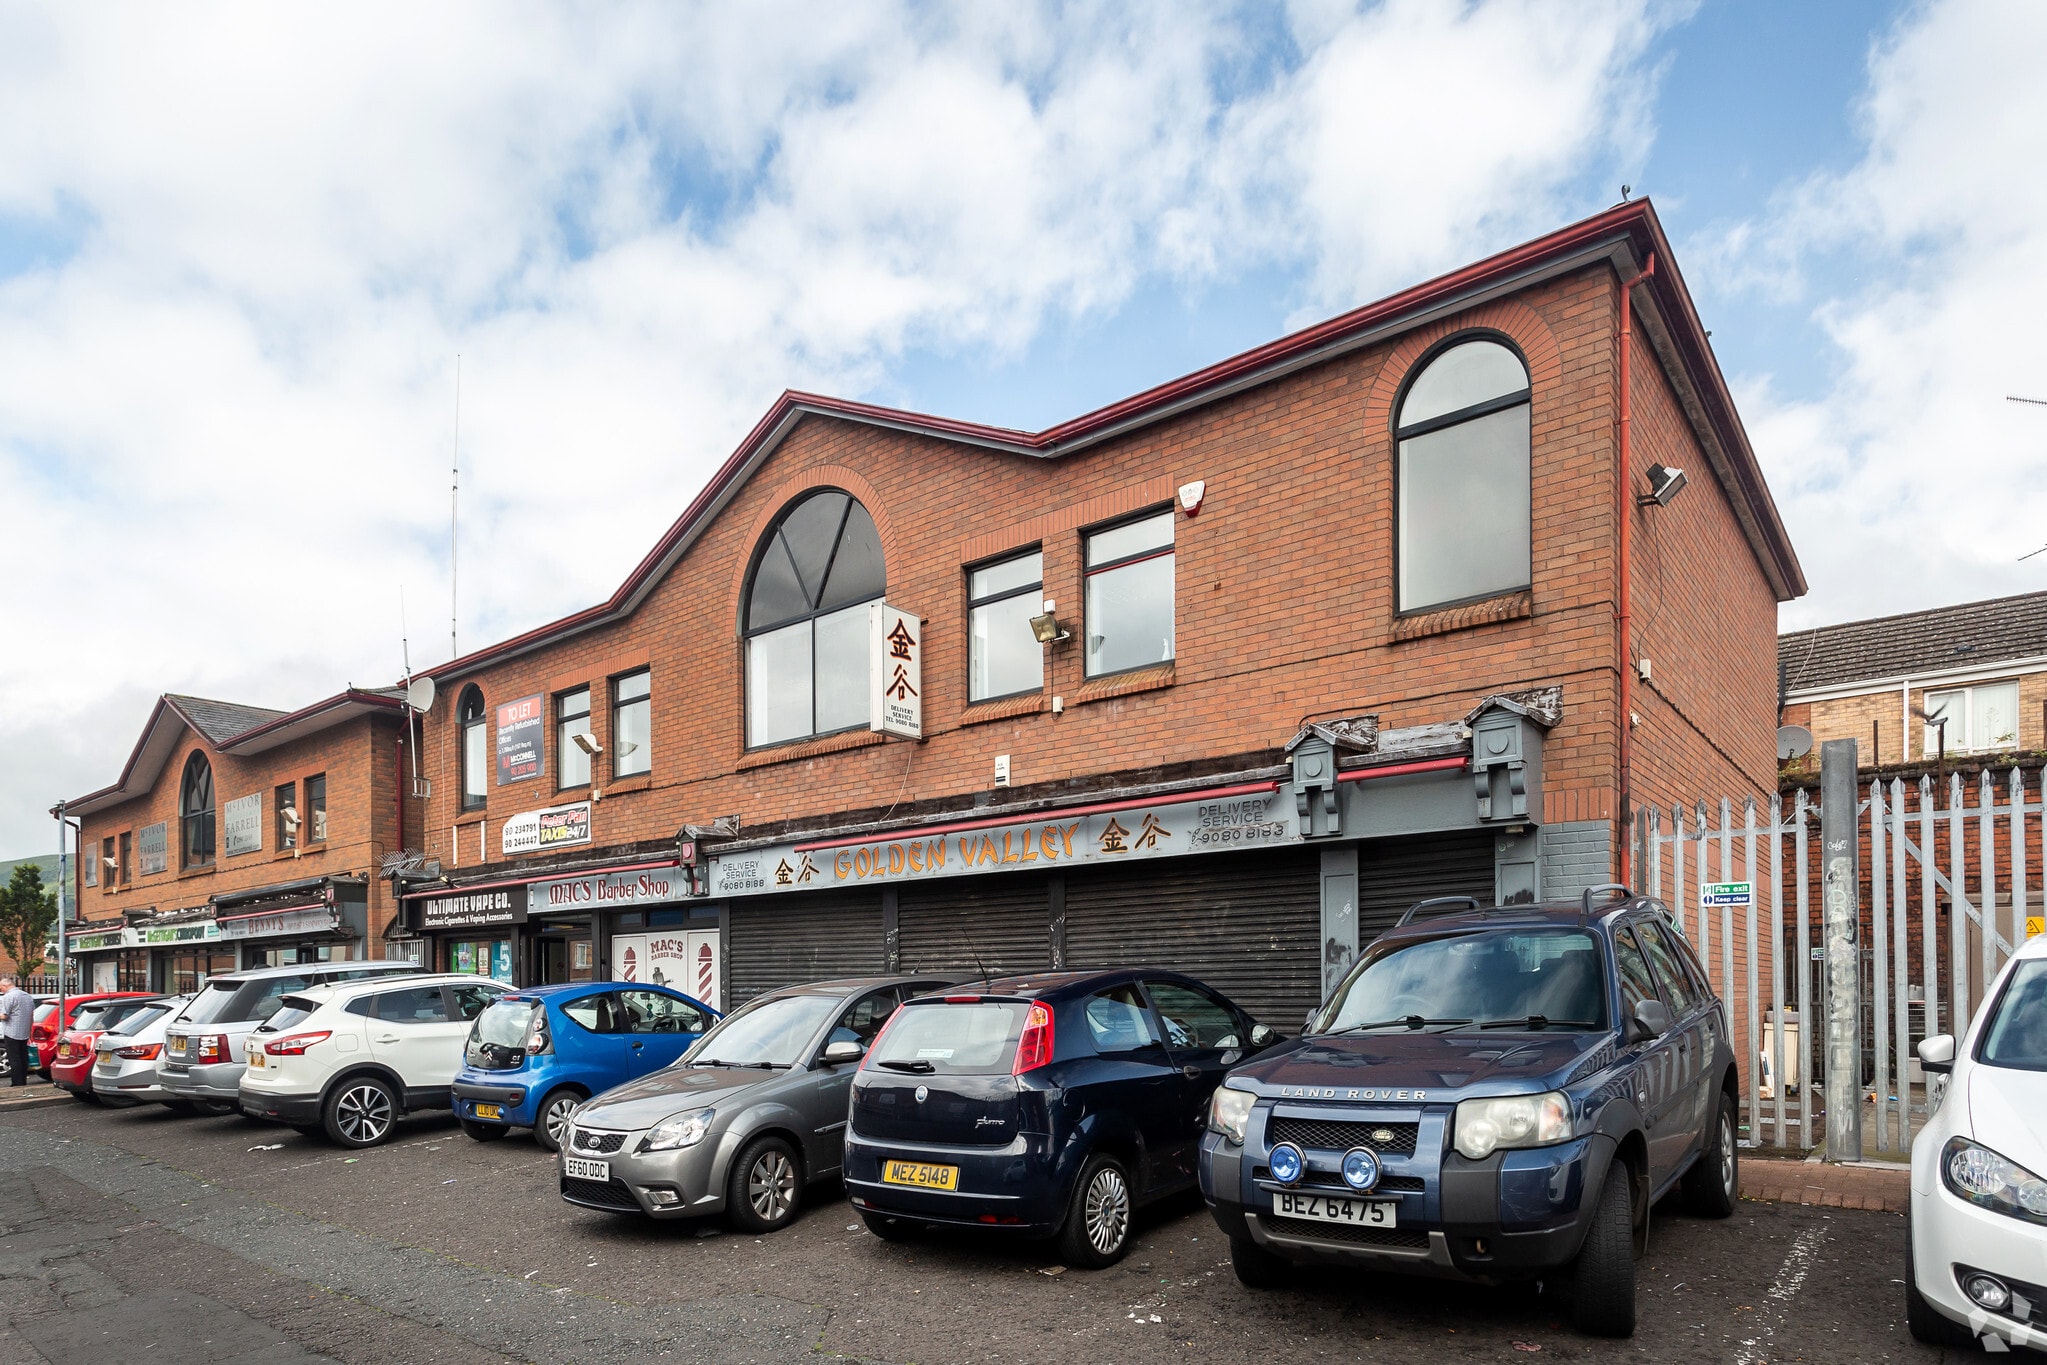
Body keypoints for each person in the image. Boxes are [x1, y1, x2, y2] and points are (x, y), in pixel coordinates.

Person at [0, 976, 33, 1087]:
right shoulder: (27, 996)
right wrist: (29, 1030)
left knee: (14, 1058)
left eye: (1, 988)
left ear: (5, 986)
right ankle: (23, 1081)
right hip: (24, 1032)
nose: (1, 991)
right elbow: (31, 1015)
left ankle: (17, 1083)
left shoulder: (8, 996)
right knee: (23, 1057)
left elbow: (4, 1016)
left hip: (11, 1031)